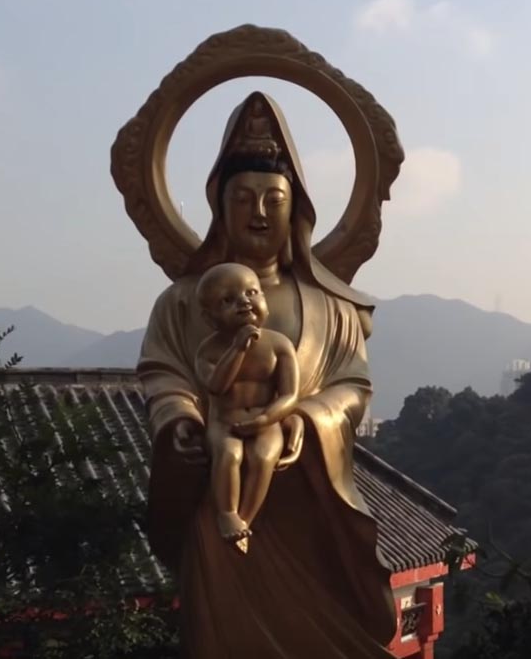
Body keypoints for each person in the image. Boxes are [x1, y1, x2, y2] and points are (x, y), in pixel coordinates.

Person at [138, 92, 397, 657]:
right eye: (243, 198)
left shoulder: (331, 307)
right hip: (220, 492)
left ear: (296, 207)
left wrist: (307, 415)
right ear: (220, 208)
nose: (258, 213)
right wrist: (179, 416)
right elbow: (164, 372)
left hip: (308, 499)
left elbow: (353, 386)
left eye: (273, 199)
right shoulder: (182, 303)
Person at [193, 262, 303, 551]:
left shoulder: (279, 345)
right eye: (228, 300)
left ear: (264, 298)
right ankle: (227, 514)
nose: (244, 302)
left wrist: (267, 418)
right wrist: (238, 348)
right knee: (229, 454)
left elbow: (289, 394)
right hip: (224, 423)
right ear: (210, 316)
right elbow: (216, 386)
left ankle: (244, 521)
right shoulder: (209, 350)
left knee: (263, 457)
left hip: (266, 422)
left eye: (251, 292)